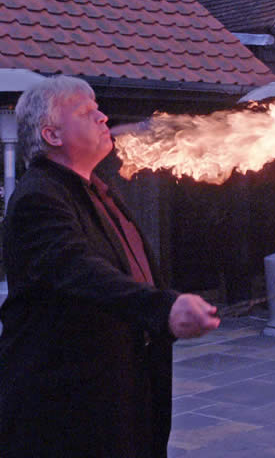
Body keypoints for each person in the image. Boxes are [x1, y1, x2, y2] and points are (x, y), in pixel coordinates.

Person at [0, 75, 220, 457]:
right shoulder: (39, 197)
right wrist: (161, 307)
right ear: (52, 135)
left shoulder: (94, 188)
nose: (103, 117)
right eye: (87, 113)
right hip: (67, 402)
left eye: (99, 108)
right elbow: (76, 268)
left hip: (119, 385)